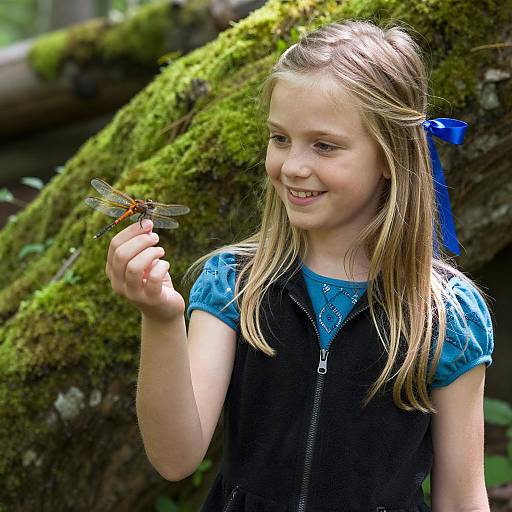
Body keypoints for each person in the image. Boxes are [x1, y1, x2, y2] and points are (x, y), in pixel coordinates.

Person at [105, 19, 495, 512]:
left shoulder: (448, 317)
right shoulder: (233, 284)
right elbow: (175, 458)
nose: (292, 166)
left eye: (324, 145)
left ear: (390, 156)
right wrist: (160, 320)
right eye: (280, 138)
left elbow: (461, 498)